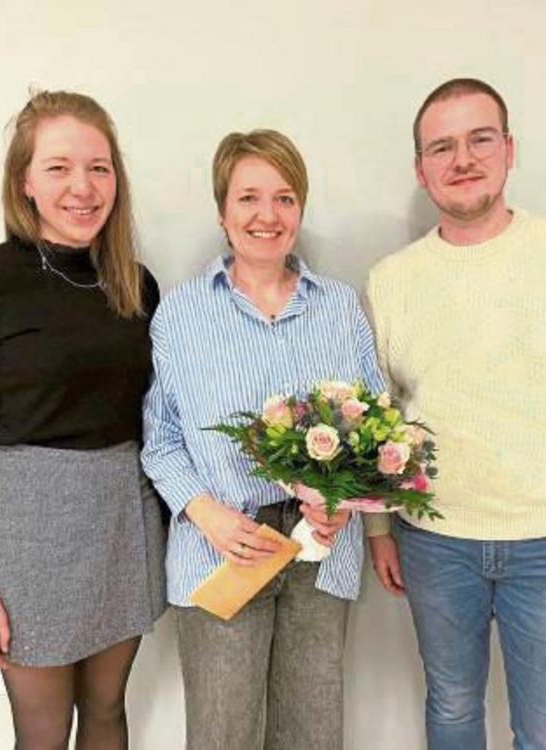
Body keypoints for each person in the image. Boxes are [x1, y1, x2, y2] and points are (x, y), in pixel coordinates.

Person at [141, 129, 386, 750]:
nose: (267, 216)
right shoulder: (182, 313)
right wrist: (208, 515)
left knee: (312, 737)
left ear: (300, 209)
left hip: (320, 554)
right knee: (221, 737)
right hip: (223, 550)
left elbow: (376, 425)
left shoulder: (339, 307)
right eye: (249, 198)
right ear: (223, 212)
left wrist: (341, 499)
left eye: (284, 198)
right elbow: (160, 438)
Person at [364, 78, 546, 750]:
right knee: (453, 712)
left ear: (509, 149)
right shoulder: (391, 280)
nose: (462, 159)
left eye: (479, 139)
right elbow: (377, 416)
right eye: (442, 146)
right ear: (420, 168)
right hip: (435, 541)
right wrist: (378, 533)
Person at [0, 90, 166, 749]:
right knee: (44, 731)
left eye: (99, 167)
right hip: (26, 533)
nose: (83, 187)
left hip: (121, 519)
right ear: (24, 180)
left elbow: (159, 418)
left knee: (107, 710)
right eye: (58, 167)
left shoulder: (136, 284)